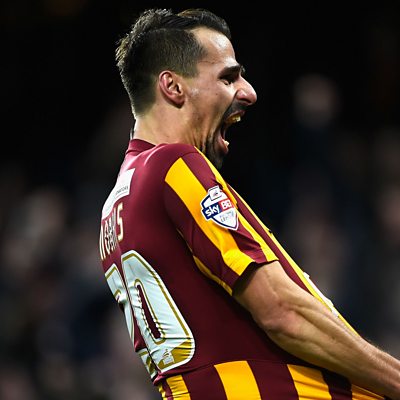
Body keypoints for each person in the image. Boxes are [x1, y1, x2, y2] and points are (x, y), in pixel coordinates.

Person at [98, 7, 400, 399]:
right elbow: (283, 312)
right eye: (227, 77)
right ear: (173, 87)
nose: (248, 92)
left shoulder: (114, 208)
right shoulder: (173, 165)